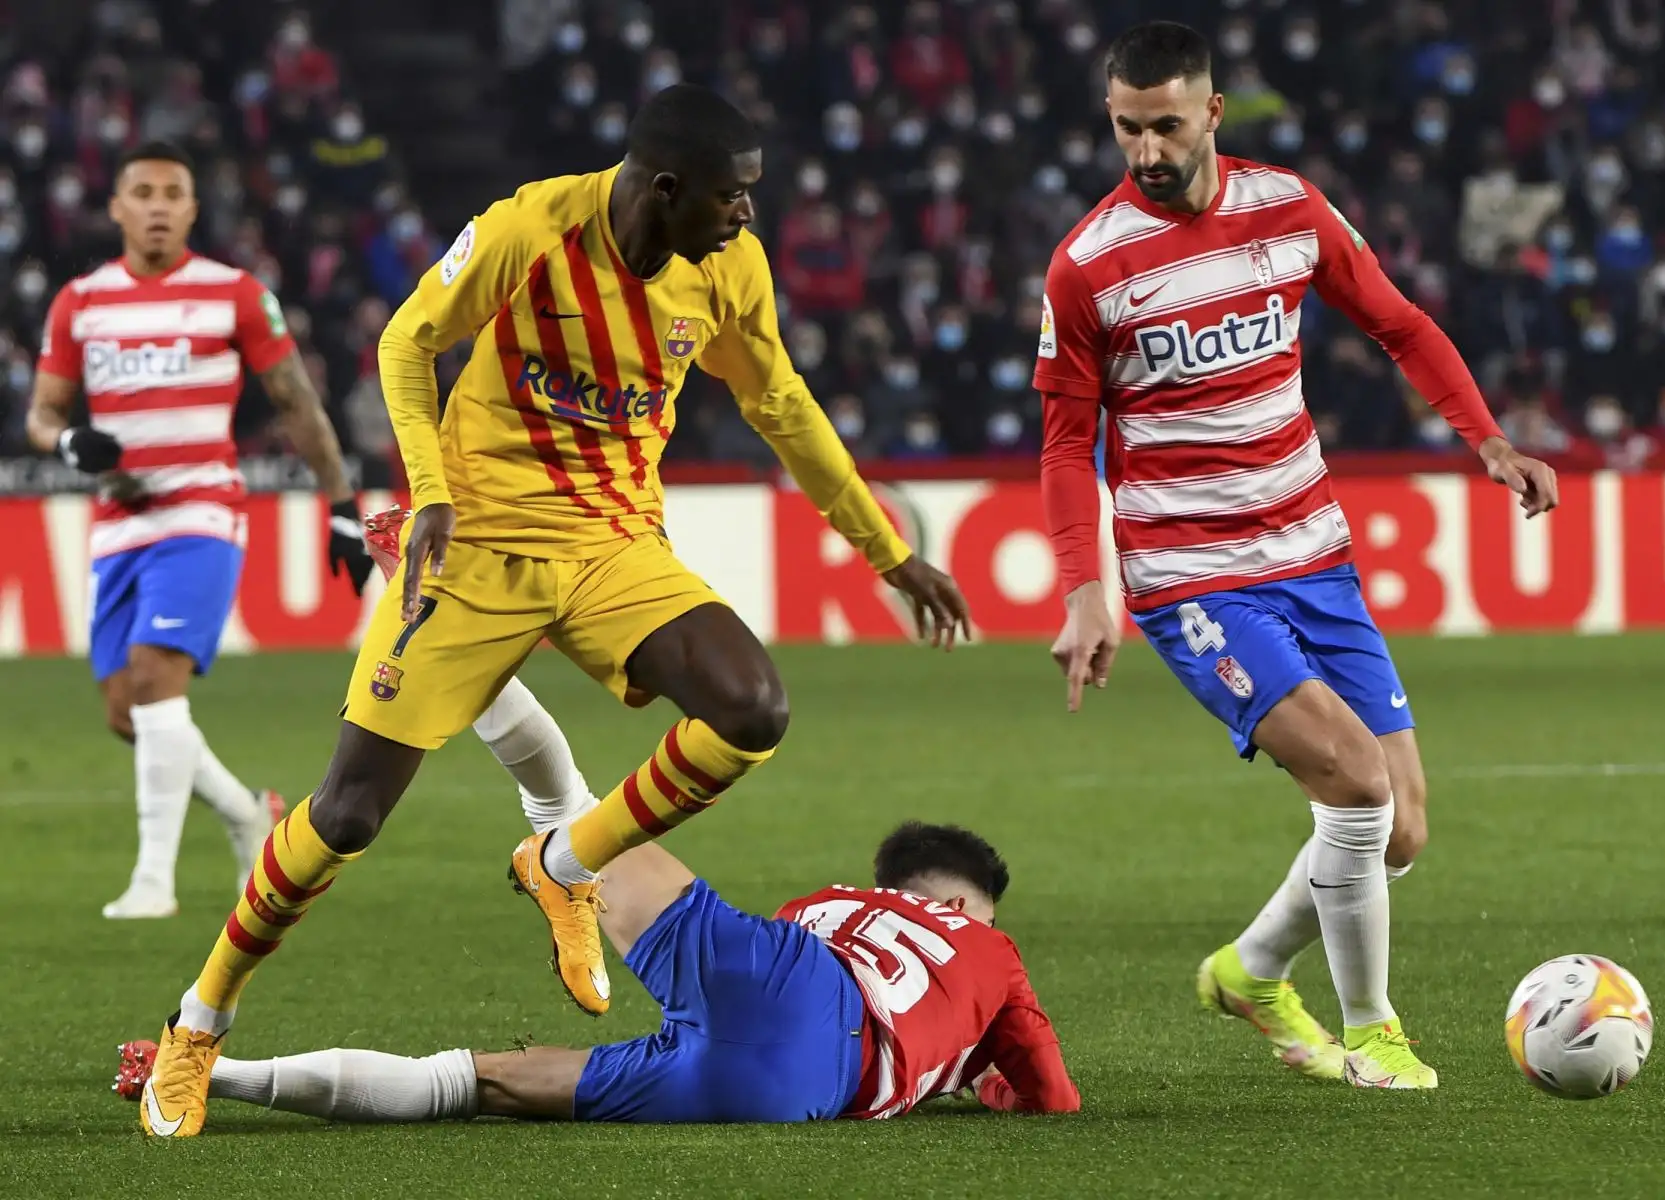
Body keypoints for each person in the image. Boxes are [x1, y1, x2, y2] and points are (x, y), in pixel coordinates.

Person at [136, 84, 970, 1137]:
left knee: (752, 708)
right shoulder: (528, 230)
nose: (747, 217)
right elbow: (405, 343)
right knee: (345, 814)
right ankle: (196, 1026)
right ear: (664, 191)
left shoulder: (726, 270)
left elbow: (780, 404)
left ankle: (562, 860)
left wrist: (888, 552)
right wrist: (430, 487)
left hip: (612, 544)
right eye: (731, 198)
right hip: (475, 546)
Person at [1036, 23, 1559, 1090]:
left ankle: (1250, 969)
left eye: (1167, 125)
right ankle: (1371, 1031)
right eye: (1127, 128)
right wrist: (1083, 592)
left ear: (1213, 114)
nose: (1146, 150)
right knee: (1356, 787)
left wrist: (1487, 437)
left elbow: (1401, 325)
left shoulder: (1289, 208)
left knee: (1401, 826)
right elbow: (1061, 439)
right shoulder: (1087, 266)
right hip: (1193, 580)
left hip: (1314, 554)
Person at [119, 823, 1078, 1126]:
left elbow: (766, 972)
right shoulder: (988, 949)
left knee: (599, 831)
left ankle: (205, 1067)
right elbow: (1054, 1099)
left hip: (794, 984)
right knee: (481, 1082)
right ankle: (228, 1080)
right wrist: (987, 1081)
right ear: (956, 908)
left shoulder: (822, 904)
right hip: (803, 1089)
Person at [23, 141, 374, 920]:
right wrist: (69, 443)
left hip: (201, 511)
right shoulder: (80, 302)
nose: (156, 205)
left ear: (191, 208)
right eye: (141, 191)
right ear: (115, 207)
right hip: (118, 522)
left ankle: (154, 881)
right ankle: (248, 810)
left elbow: (295, 401)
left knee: (154, 683)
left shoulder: (236, 295)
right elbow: (42, 415)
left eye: (171, 192)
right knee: (128, 712)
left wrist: (342, 503)